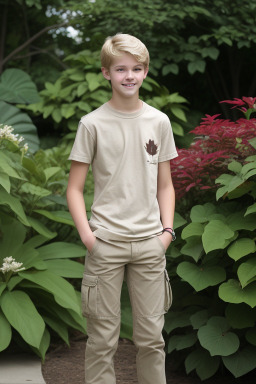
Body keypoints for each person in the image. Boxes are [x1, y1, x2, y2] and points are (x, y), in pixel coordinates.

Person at [66, 33, 178, 384]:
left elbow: (165, 185)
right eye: (121, 69)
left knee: (151, 340)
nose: (129, 76)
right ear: (106, 73)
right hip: (105, 243)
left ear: (145, 73)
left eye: (136, 68)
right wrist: (89, 238)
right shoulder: (92, 124)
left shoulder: (159, 121)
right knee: (101, 341)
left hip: (150, 244)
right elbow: (73, 189)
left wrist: (166, 233)